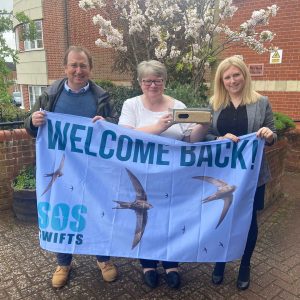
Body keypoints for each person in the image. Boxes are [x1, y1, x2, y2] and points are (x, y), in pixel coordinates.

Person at [24, 46, 119, 288]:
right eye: (74, 65)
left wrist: (107, 123)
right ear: (65, 67)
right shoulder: (49, 95)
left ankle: (103, 259)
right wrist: (33, 122)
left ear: (90, 68)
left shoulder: (101, 96)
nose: (78, 70)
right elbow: (30, 126)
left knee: (98, 209)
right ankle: (63, 262)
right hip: (61, 170)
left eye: (83, 66)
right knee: (62, 212)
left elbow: (116, 126)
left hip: (94, 169)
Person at [118, 60, 209, 289]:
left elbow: (190, 140)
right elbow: (125, 135)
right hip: (142, 176)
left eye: (157, 80)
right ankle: (148, 265)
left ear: (164, 82)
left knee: (171, 220)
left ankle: (171, 264)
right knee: (146, 221)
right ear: (140, 83)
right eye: (147, 80)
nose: (152, 84)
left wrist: (204, 126)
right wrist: (159, 127)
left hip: (172, 177)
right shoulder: (131, 105)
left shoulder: (177, 105)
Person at [205, 56, 277, 290]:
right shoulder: (214, 103)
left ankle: (245, 264)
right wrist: (218, 138)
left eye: (237, 75)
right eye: (227, 77)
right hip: (222, 175)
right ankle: (220, 261)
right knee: (221, 217)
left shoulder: (261, 102)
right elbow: (204, 136)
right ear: (221, 81)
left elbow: (274, 135)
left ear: (244, 76)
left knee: (249, 222)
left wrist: (268, 134)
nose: (232, 80)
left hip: (252, 176)